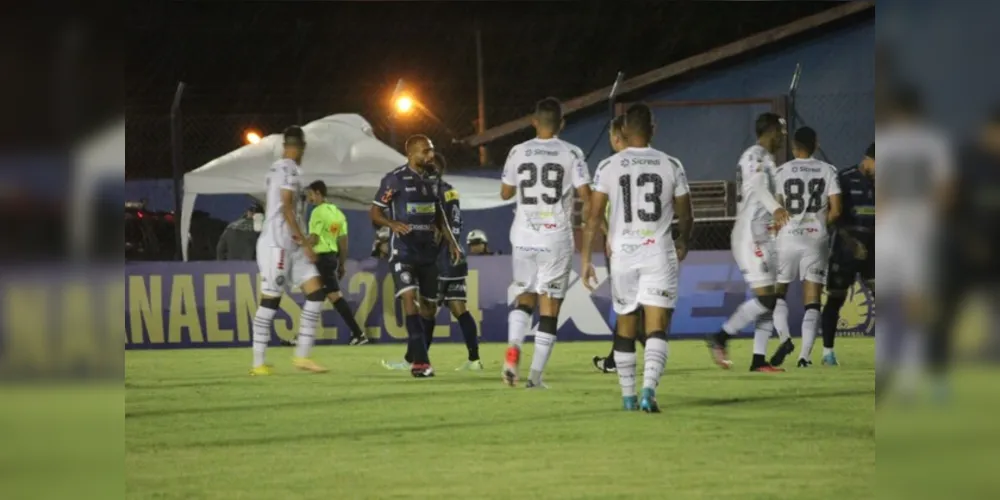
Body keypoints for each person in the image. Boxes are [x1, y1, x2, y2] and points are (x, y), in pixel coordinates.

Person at [581, 103, 694, 412]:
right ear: (653, 130)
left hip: (623, 256)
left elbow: (592, 216)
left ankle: (628, 396)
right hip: (658, 251)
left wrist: (586, 259)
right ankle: (649, 392)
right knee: (657, 326)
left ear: (624, 131)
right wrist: (683, 241)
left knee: (626, 324)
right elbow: (686, 214)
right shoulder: (671, 164)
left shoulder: (608, 166)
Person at [500, 97, 592, 388]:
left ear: (534, 122)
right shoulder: (572, 152)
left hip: (523, 237)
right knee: (550, 308)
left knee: (524, 297)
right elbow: (586, 195)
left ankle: (513, 350)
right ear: (562, 124)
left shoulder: (518, 151)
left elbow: (505, 193)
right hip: (555, 238)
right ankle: (535, 377)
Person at [875, 87, 953, 403]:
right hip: (917, 226)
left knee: (890, 301)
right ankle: (908, 378)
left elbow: (881, 189)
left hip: (892, 226)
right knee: (913, 302)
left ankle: (892, 372)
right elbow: (946, 187)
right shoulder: (933, 142)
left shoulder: (888, 141)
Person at [371, 135, 462, 378]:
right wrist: (392, 224)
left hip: (428, 254)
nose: (430, 156)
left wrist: (452, 242)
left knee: (430, 308)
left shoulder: (433, 178)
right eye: (425, 152)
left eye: (431, 150)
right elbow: (375, 212)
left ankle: (417, 354)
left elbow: (439, 214)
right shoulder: (395, 179)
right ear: (410, 154)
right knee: (409, 298)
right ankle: (420, 363)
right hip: (403, 251)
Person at [706, 113, 791, 373]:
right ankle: (720, 337)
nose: (782, 138)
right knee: (766, 299)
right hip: (750, 235)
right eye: (780, 133)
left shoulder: (769, 160)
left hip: (764, 233)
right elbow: (755, 185)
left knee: (771, 298)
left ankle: (758, 360)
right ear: (772, 130)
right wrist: (776, 208)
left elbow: (766, 193)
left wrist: (777, 214)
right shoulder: (753, 156)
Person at [250, 126, 329, 376]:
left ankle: (303, 357)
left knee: (316, 292)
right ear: (300, 147)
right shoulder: (289, 169)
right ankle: (258, 363)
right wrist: (307, 244)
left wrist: (302, 239)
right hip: (278, 244)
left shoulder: (277, 168)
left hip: (291, 242)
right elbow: (285, 207)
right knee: (270, 301)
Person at [768, 127, 842, 368]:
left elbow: (777, 210)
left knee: (779, 292)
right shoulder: (827, 170)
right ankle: (804, 357)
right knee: (812, 300)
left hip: (787, 237)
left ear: (793, 146)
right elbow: (837, 210)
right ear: (816, 144)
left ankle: (785, 339)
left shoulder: (781, 171)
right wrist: (819, 224)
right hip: (815, 238)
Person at [591, 115, 646, 374]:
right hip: (650, 246)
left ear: (616, 139)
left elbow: (594, 212)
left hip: (621, 249)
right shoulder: (652, 163)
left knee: (628, 305)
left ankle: (624, 356)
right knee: (639, 304)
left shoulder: (610, 168)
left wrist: (609, 234)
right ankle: (642, 349)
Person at [820, 143, 875, 367]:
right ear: (867, 159)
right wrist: (851, 243)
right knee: (836, 298)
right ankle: (828, 353)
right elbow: (833, 215)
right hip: (845, 248)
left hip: (874, 249)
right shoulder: (844, 178)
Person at [304, 180, 371, 346]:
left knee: (332, 296)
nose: (309, 198)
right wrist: (341, 264)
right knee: (316, 295)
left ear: (318, 193)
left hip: (320, 259)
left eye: (311, 194)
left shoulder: (317, 212)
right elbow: (343, 242)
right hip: (331, 258)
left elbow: (314, 238)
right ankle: (303, 337)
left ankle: (358, 333)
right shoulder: (338, 214)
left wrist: (299, 246)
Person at [433, 154, 483, 370]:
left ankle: (415, 361)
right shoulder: (445, 191)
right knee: (457, 307)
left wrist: (440, 242)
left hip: (441, 258)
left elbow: (450, 224)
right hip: (451, 258)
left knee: (423, 308)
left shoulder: (442, 192)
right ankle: (474, 360)